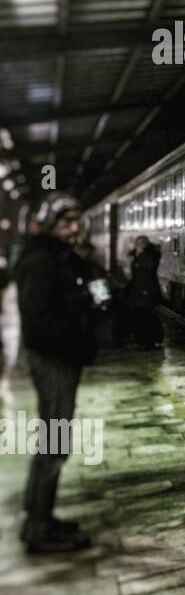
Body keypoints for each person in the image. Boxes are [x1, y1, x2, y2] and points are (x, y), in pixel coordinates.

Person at [13, 194, 108, 553]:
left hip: (59, 359)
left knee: (54, 439)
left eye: (76, 222)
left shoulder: (58, 258)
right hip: (53, 361)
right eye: (66, 222)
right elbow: (38, 324)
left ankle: (39, 515)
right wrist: (77, 331)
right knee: (54, 441)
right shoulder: (40, 261)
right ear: (50, 225)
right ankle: (38, 525)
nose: (74, 229)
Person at [124, 235, 163, 349]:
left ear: (146, 244)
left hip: (147, 291)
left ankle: (149, 341)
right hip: (139, 291)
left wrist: (138, 255)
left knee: (146, 317)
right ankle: (145, 341)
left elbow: (149, 267)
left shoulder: (150, 255)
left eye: (141, 243)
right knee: (143, 316)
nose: (139, 246)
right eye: (137, 243)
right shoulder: (138, 255)